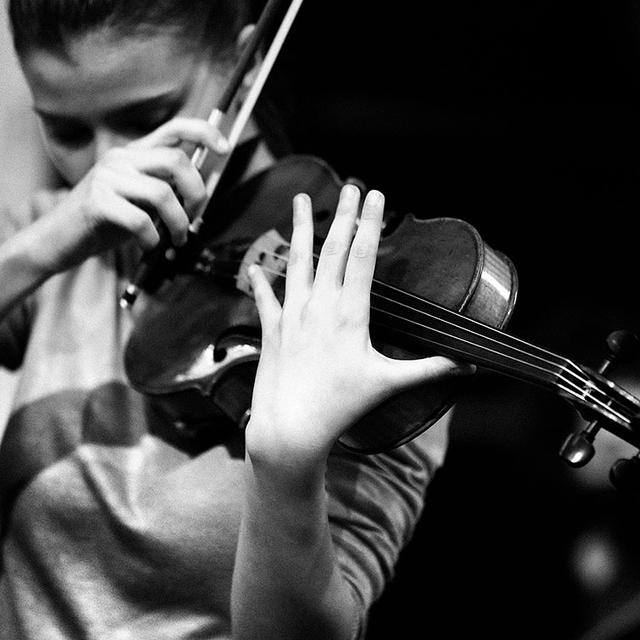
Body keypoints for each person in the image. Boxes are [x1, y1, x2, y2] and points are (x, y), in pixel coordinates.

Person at [0, 1, 476, 638]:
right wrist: (47, 242)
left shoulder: (358, 308)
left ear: (244, 67)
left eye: (146, 119)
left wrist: (286, 469)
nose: (107, 165)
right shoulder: (47, 247)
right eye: (66, 132)